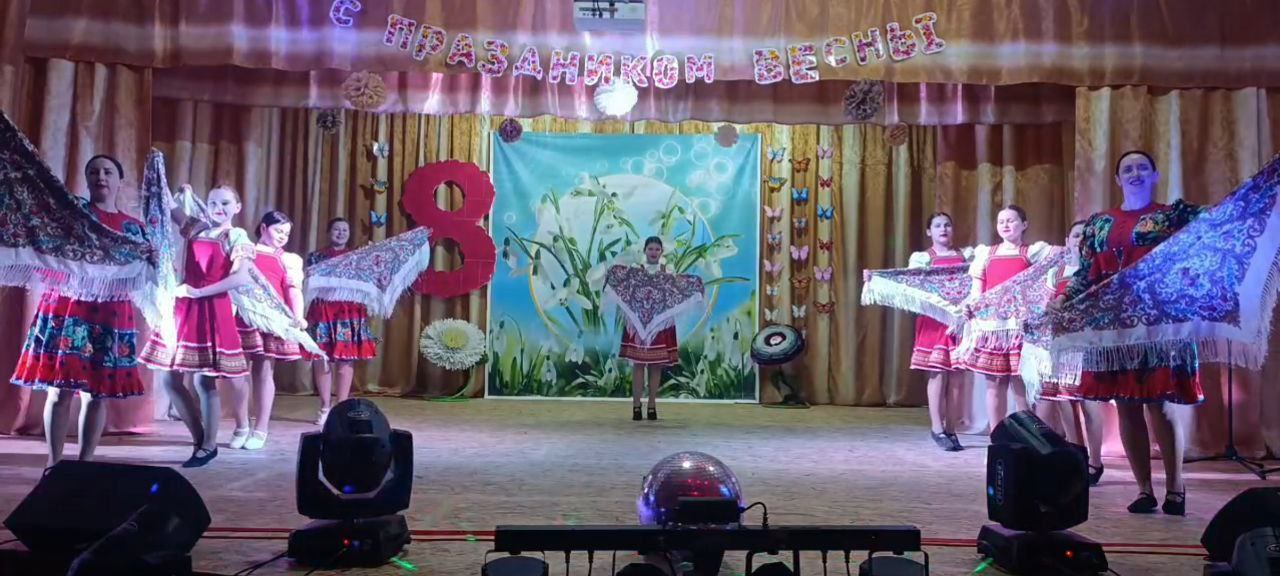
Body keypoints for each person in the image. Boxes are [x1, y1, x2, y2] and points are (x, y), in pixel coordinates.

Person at [1053, 150, 1204, 515]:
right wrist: (1062, 300)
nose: (1135, 172)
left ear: (1154, 175)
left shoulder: (1171, 216)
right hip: (1113, 328)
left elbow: (1210, 237)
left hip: (1158, 325)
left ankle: (1175, 488)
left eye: (1142, 167)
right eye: (1127, 169)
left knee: (1160, 404)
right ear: (1118, 179)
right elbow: (1086, 274)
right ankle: (1144, 490)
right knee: (1126, 405)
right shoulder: (1098, 223)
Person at [10, 155, 148, 466]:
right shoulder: (69, 214)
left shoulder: (133, 228)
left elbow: (148, 270)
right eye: (94, 171)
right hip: (67, 307)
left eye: (108, 171)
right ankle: (54, 463)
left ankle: (85, 464)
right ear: (86, 179)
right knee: (59, 390)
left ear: (119, 181)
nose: (101, 177)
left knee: (97, 393)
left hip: (110, 312)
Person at [139, 184, 254, 468]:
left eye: (225, 203)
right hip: (184, 306)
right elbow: (169, 205)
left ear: (237, 207)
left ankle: (208, 445)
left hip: (211, 307)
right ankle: (200, 439)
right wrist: (161, 177)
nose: (218, 208)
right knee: (169, 379)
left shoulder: (236, 236)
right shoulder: (197, 227)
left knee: (204, 380)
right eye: (213, 202)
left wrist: (199, 292)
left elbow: (241, 278)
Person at [963, 205, 1051, 434]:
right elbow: (977, 291)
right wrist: (971, 307)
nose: (1005, 225)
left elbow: (1050, 276)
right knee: (994, 385)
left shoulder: (1032, 253)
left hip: (1021, 330)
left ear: (1024, 224)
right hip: (993, 330)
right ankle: (997, 436)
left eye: (1011, 220)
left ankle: (1028, 437)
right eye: (1001, 221)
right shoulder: (986, 254)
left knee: (1021, 386)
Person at [1034, 220, 1106, 485]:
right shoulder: (1056, 273)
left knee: (1089, 401)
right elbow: (1044, 303)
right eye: (1075, 235)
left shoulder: (1098, 270)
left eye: (1085, 236)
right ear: (1067, 240)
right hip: (1061, 342)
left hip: (1088, 343)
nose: (1079, 240)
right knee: (1064, 399)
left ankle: (1095, 461)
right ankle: (1077, 456)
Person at [232, 211, 305, 450]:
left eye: (286, 233)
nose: (282, 236)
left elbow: (293, 290)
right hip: (243, 316)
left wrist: (298, 315)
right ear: (263, 228)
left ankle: (261, 429)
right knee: (237, 372)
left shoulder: (288, 259)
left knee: (264, 371)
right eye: (278, 231)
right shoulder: (245, 251)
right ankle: (241, 425)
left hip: (271, 320)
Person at [906, 212, 973, 451]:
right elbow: (913, 286)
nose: (943, 229)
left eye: (947, 225)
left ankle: (952, 429)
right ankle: (937, 428)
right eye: (937, 226)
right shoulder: (922, 258)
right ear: (929, 231)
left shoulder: (967, 256)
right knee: (937, 373)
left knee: (957, 377)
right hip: (934, 321)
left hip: (959, 322)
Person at [305, 217, 376, 426]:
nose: (341, 233)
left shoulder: (356, 257)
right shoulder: (315, 256)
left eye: (345, 230)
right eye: (337, 229)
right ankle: (325, 407)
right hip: (322, 311)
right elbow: (310, 281)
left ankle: (341, 408)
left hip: (348, 312)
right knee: (322, 358)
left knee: (346, 359)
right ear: (329, 232)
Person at [622, 237, 680, 421]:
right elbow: (626, 294)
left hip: (660, 325)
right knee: (638, 365)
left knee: (656, 365)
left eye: (657, 249)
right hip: (639, 325)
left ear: (662, 252)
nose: (654, 252)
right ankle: (636, 406)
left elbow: (675, 294)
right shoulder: (635, 271)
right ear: (644, 251)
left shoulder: (668, 271)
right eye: (650, 249)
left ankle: (652, 405)